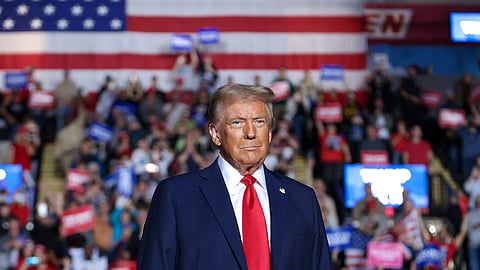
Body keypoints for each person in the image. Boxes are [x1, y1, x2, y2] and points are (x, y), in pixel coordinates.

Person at [138, 84, 332, 269]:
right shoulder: (176, 197)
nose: (250, 133)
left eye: (259, 121)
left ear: (270, 132)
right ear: (215, 134)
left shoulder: (303, 199)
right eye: (237, 122)